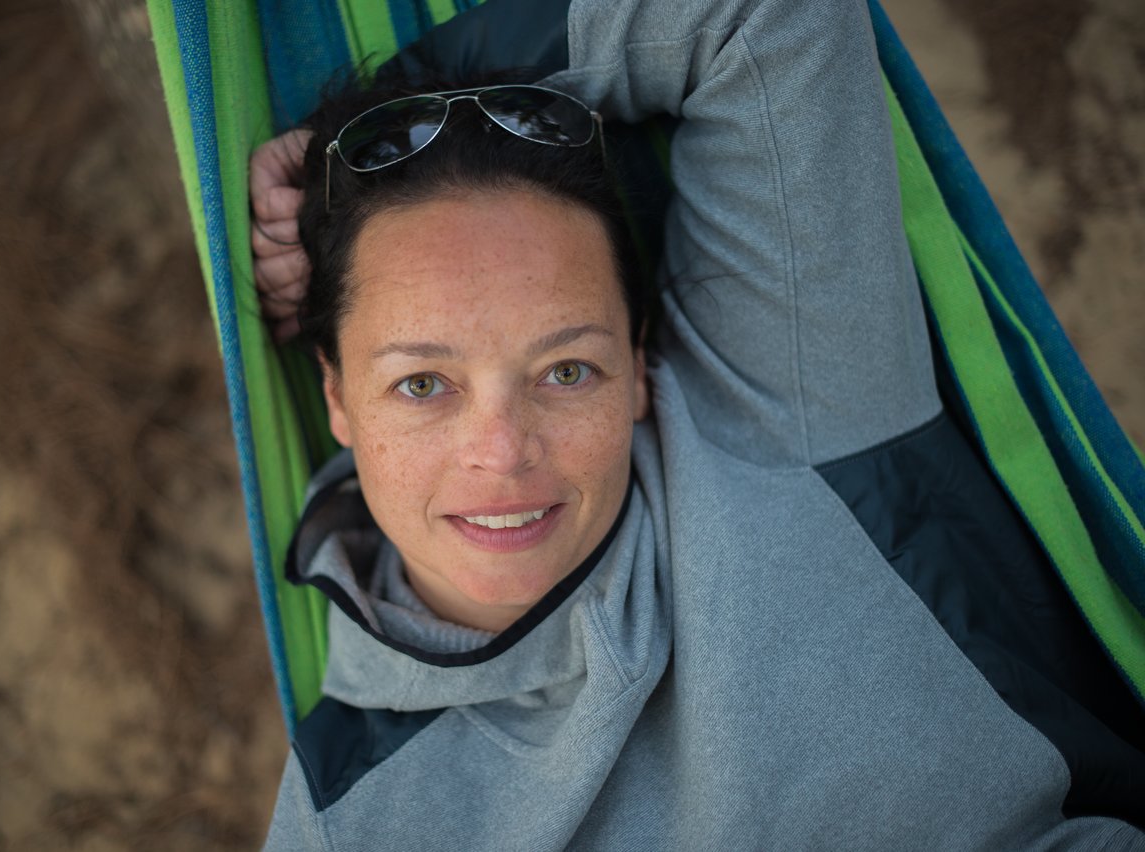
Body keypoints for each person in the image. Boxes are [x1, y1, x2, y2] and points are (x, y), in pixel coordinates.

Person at [250, 0, 1145, 847]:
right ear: (335, 396)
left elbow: (759, 17)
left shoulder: (775, 406)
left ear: (638, 365)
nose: (501, 453)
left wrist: (391, 116)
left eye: (567, 370)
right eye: (422, 385)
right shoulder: (355, 820)